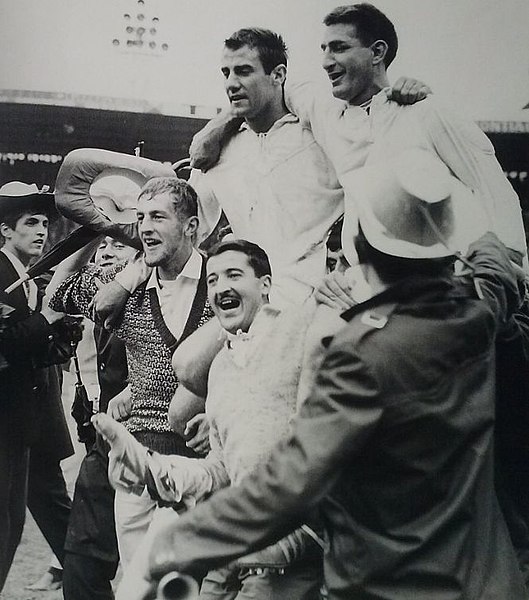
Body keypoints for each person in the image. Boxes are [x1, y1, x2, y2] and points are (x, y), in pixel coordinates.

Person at [97, 149, 527, 599]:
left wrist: (177, 545)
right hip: (485, 582)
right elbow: (493, 257)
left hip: (395, 585)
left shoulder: (360, 355)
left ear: (359, 246)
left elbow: (291, 481)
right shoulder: (475, 313)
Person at [192, 5, 525, 265]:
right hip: (366, 287)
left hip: (434, 285)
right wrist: (217, 127)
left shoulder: (427, 113)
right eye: (323, 49)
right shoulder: (326, 113)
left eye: (338, 48)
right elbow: (270, 90)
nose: (326, 61)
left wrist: (505, 274)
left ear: (377, 53)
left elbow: (495, 193)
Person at [94, 239, 325, 600]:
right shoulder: (221, 364)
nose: (221, 288)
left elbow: (320, 449)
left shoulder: (299, 332)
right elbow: (220, 467)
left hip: (283, 550)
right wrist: (157, 471)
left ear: (266, 284)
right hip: (231, 546)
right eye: (213, 280)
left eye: (234, 275)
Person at [49, 176, 214, 579]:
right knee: (141, 578)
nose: (144, 227)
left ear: (191, 226)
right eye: (140, 218)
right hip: (137, 457)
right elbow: (56, 296)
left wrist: (220, 414)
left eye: (158, 216)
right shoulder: (125, 282)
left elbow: (256, 349)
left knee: (188, 581)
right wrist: (116, 261)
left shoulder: (223, 277)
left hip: (205, 458)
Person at [0, 182, 75, 592]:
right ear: (5, 231)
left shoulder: (26, 277)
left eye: (45, 223)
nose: (42, 231)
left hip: (25, 416)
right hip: (6, 417)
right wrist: (47, 318)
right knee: (5, 524)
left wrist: (58, 334)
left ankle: (83, 581)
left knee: (14, 521)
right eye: (31, 223)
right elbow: (6, 341)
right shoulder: (0, 271)